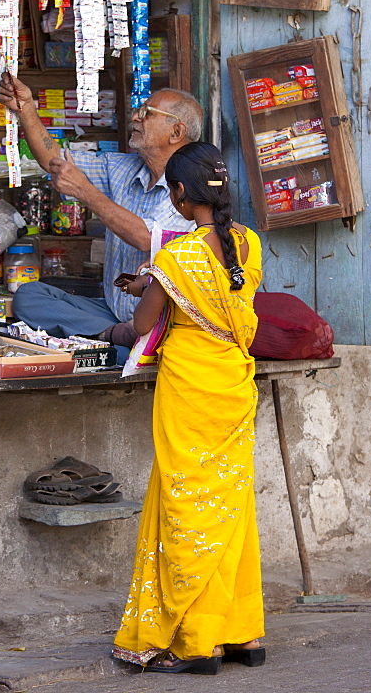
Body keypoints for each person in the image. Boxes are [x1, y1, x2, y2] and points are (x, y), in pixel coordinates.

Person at [111, 142, 265, 674]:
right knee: (229, 508)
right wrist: (155, 282)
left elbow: (140, 326)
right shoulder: (248, 244)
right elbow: (219, 295)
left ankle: (194, 642)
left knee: (184, 509)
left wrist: (144, 291)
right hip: (233, 386)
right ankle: (240, 634)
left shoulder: (176, 257)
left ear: (178, 194)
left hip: (189, 392)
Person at [0, 73, 203, 355]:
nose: (135, 118)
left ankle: (117, 341)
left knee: (156, 331)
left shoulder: (190, 185)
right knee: (29, 296)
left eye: (146, 114)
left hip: (161, 320)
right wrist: (27, 107)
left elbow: (148, 239)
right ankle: (112, 335)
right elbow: (53, 159)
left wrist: (85, 192)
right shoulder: (121, 167)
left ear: (176, 132)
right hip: (113, 312)